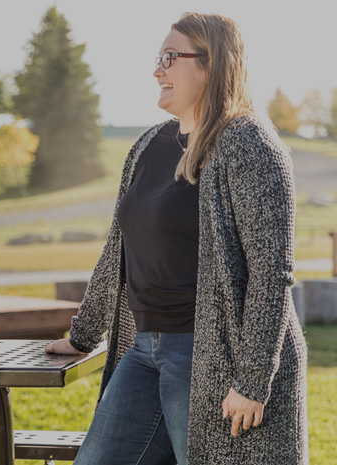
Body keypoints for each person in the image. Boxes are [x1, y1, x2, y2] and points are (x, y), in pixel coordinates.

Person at [46, 12, 307, 465]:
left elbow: (272, 273)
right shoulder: (149, 145)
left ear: (211, 65)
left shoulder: (249, 146)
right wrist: (84, 334)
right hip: (144, 350)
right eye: (158, 57)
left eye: (170, 57)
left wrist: (252, 380)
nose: (157, 70)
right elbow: (117, 253)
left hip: (215, 354)